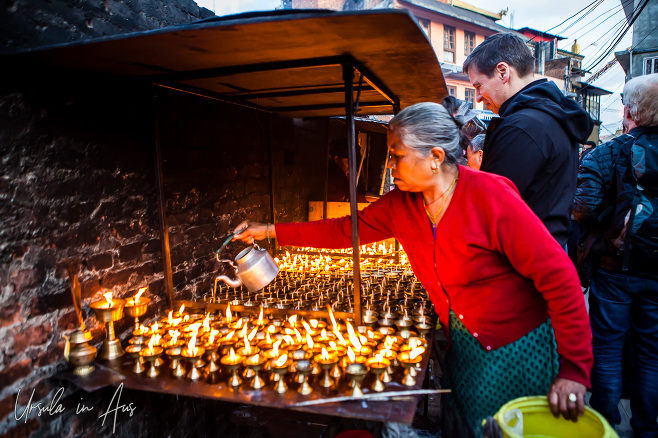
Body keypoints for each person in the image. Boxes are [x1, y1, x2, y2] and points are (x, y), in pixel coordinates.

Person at [232, 102, 593, 434]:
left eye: (397, 156)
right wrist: (271, 230)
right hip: (463, 343)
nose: (390, 166)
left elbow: (559, 278)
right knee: (467, 426)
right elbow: (344, 230)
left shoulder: (490, 197)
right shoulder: (400, 207)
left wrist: (575, 370)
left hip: (518, 348)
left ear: (435, 157)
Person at [573, 73, 658, 438]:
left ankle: (605, 422)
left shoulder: (610, 151)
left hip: (614, 268)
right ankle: (647, 427)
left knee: (606, 346)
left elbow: (583, 207)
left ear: (630, 111)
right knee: (652, 352)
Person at [463, 33, 594, 247]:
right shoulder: (551, 116)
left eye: (478, 86)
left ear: (503, 72)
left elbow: (489, 212)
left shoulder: (521, 127)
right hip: (549, 252)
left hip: (526, 261)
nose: (477, 97)